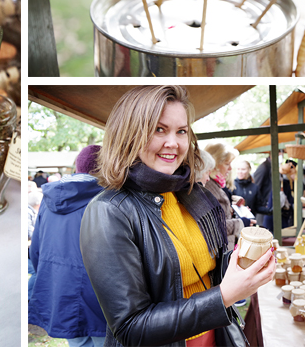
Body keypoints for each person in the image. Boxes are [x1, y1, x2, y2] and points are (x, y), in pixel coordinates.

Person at [80, 85, 275, 347]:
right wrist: (224, 296)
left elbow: (207, 269)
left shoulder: (191, 193)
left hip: (215, 335)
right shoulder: (109, 211)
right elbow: (130, 327)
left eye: (181, 131)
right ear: (128, 134)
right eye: (159, 129)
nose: (173, 142)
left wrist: (243, 263)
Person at [29, 145, 107, 347]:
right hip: (100, 295)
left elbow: (36, 250)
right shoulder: (108, 199)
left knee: (78, 343)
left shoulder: (48, 201)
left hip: (61, 289)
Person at [204, 143, 246, 249]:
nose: (231, 168)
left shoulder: (215, 184)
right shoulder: (208, 186)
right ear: (214, 163)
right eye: (227, 164)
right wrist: (241, 222)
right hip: (219, 250)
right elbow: (214, 226)